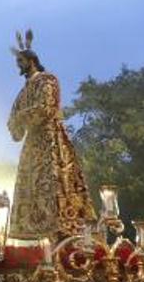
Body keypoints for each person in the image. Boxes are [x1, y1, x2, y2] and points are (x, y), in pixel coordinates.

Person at [7, 31, 96, 241]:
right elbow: (13, 119)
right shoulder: (23, 91)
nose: (18, 66)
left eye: (20, 61)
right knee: (33, 190)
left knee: (57, 184)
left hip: (51, 141)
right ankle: (41, 240)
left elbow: (45, 107)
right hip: (32, 146)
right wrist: (16, 122)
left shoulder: (48, 80)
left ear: (31, 60)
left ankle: (65, 233)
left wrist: (21, 117)